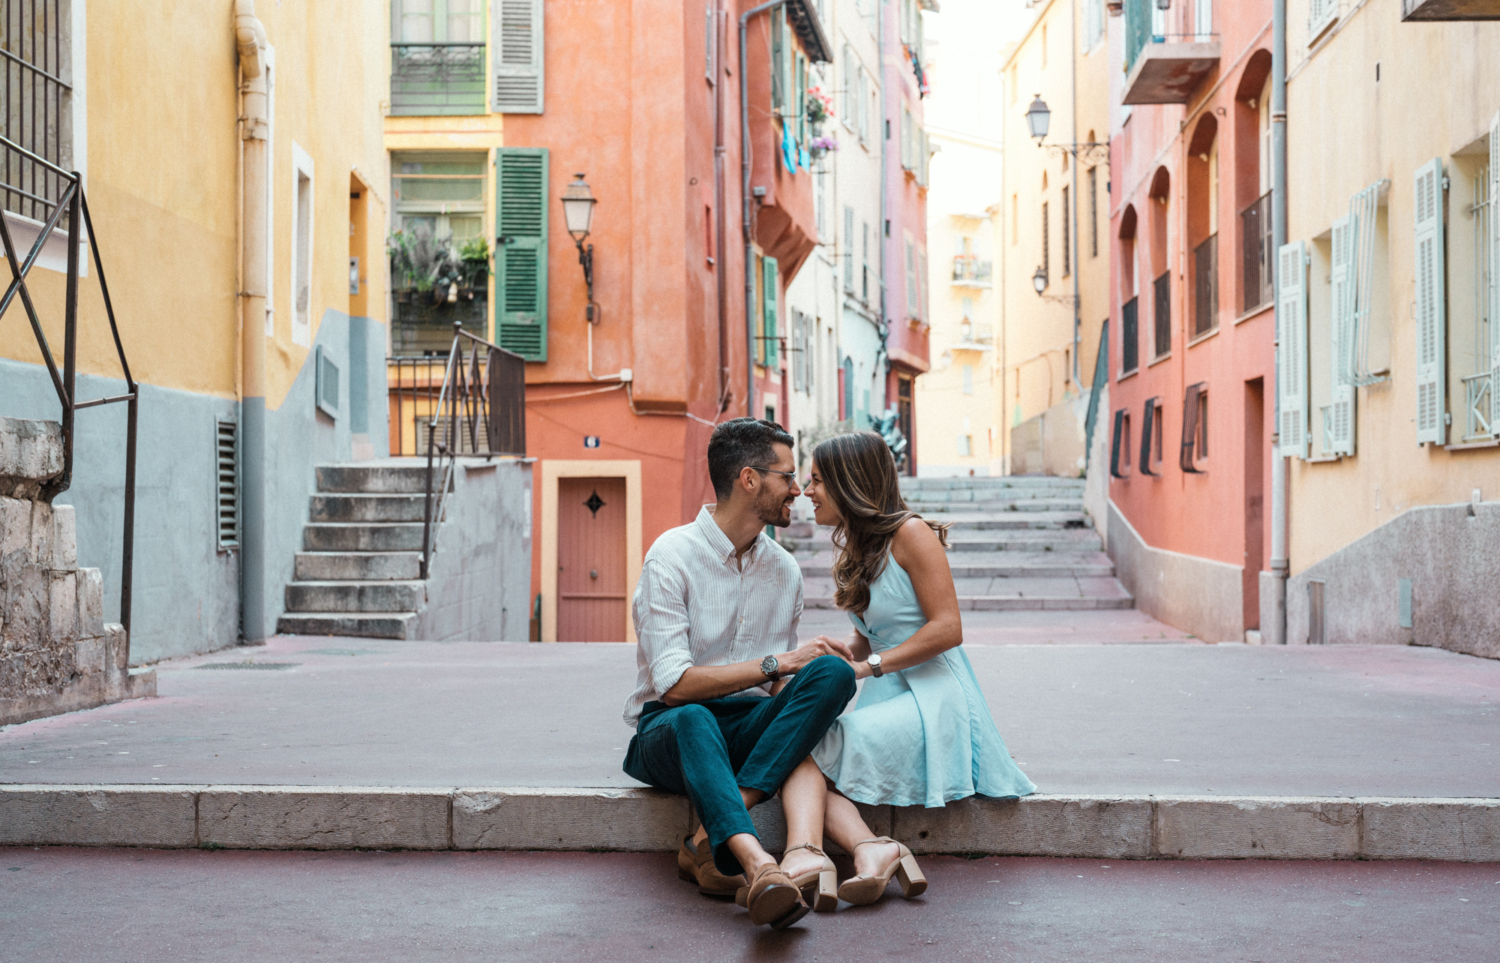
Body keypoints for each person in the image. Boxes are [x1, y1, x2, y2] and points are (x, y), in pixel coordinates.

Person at [622, 418, 857, 930]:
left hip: (745, 728)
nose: (799, 489)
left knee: (833, 675)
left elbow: (775, 685)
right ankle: (759, 865)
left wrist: (805, 688)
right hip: (670, 730)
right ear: (749, 480)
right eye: (787, 476)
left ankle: (707, 842)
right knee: (694, 718)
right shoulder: (671, 557)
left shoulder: (784, 569)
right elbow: (676, 686)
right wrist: (780, 663)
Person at [802, 431, 1036, 906]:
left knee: (809, 748)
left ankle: (848, 852)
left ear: (850, 483)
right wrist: (840, 652)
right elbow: (872, 635)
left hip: (933, 696)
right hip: (888, 689)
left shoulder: (911, 534)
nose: (807, 492)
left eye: (817, 480)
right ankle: (872, 850)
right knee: (798, 744)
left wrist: (866, 667)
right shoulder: (857, 546)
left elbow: (948, 628)